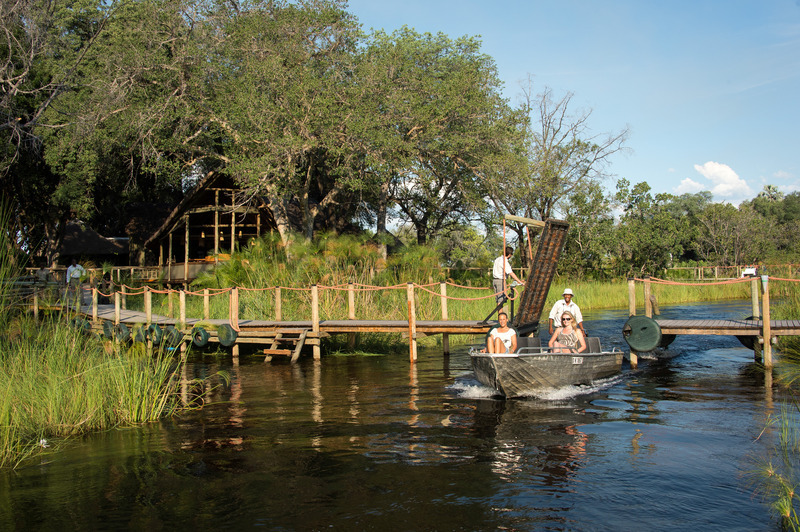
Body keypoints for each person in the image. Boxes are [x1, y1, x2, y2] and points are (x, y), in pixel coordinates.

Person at [492, 246, 524, 314]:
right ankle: (501, 316)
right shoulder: (504, 262)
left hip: (495, 280)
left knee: (499, 300)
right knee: (501, 301)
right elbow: (510, 273)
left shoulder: (497, 259)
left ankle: (501, 316)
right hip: (500, 281)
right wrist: (520, 281)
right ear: (509, 254)